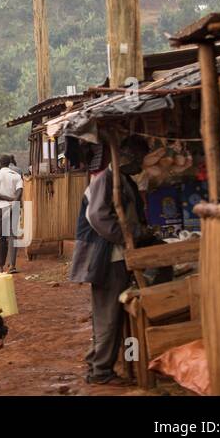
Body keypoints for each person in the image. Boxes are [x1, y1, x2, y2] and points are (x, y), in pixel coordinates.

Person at [67, 137, 153, 384]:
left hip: (116, 256)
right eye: (139, 158)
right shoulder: (106, 180)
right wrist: (127, 236)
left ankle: (100, 362)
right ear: (127, 156)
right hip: (107, 257)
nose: (141, 164)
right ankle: (100, 371)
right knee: (108, 315)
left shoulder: (122, 180)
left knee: (112, 315)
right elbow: (97, 216)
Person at [0, 154, 23, 273]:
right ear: (9, 164)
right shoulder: (17, 176)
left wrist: (8, 200)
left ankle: (0, 267)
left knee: (1, 237)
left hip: (1, 208)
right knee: (13, 236)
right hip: (14, 207)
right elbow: (20, 192)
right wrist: (14, 201)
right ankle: (12, 266)